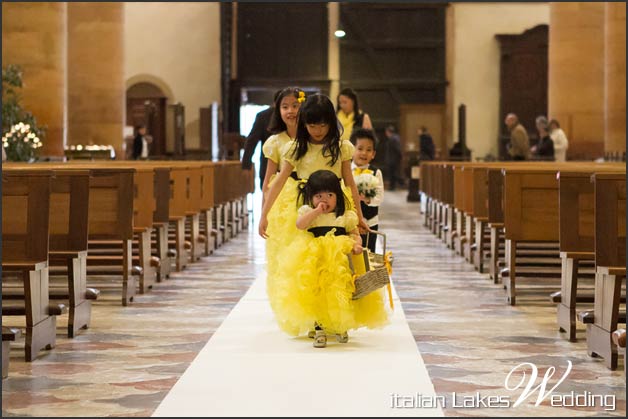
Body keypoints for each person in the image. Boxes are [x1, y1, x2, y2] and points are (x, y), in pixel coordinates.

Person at [259, 94, 388, 342]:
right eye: (312, 125)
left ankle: (338, 316)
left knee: (338, 265)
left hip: (337, 206)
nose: (317, 130)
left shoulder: (340, 147)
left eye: (323, 124)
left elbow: (349, 182)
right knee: (308, 265)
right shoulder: (295, 148)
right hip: (304, 207)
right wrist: (264, 213)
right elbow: (279, 181)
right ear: (304, 123)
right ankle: (315, 316)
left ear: (331, 122)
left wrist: (359, 216)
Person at [294, 170, 366, 347]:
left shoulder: (344, 216)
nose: (324, 200)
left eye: (330, 195)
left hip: (340, 261)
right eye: (318, 196)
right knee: (318, 292)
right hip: (316, 260)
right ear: (310, 197)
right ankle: (319, 327)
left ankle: (340, 326)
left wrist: (356, 244)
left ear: (338, 196)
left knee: (341, 291)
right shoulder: (308, 212)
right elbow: (300, 225)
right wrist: (316, 211)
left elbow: (355, 233)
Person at [261, 87, 303, 200]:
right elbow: (268, 182)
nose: (290, 111)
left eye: (295, 106)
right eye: (285, 107)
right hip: (284, 198)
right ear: (279, 111)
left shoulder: (313, 138)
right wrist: (263, 215)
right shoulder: (275, 142)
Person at [350, 128, 384, 253]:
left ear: (373, 154)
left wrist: (367, 199)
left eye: (368, 150)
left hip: (370, 221)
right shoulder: (346, 170)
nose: (364, 153)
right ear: (352, 149)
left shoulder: (376, 172)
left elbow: (380, 197)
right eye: (360, 149)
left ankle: (368, 273)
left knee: (369, 252)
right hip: (350, 221)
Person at [241, 90, 281, 189]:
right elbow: (252, 141)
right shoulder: (263, 116)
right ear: (275, 103)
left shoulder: (295, 116)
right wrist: (246, 164)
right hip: (267, 164)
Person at [384, 125, 402, 190]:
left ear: (389, 132)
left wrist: (399, 156)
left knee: (392, 173)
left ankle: (393, 186)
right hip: (393, 159)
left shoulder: (393, 138)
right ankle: (392, 186)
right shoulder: (395, 138)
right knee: (392, 173)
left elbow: (397, 149)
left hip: (392, 159)